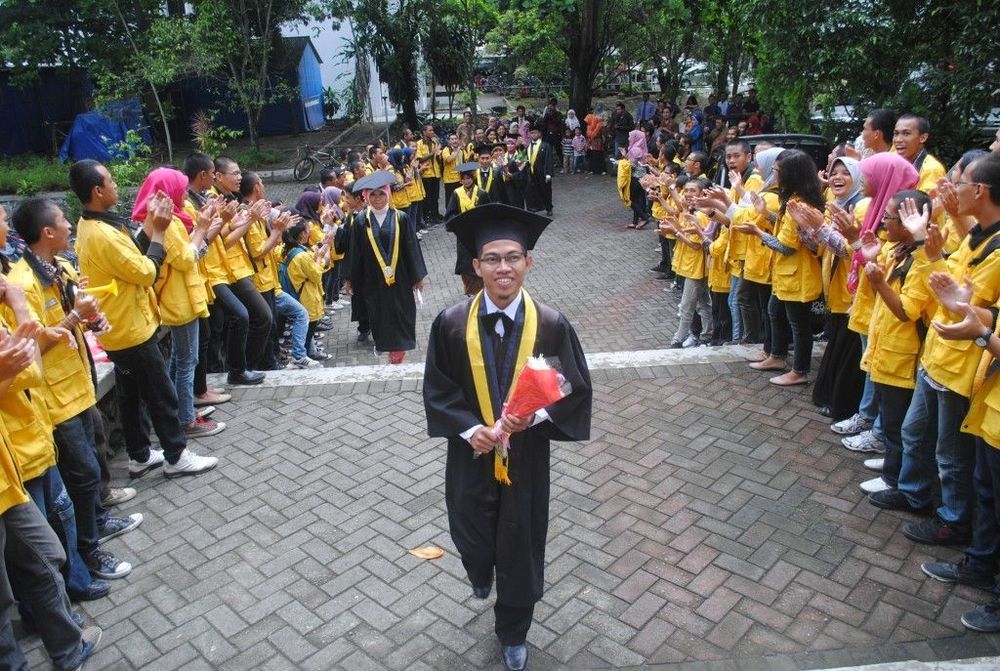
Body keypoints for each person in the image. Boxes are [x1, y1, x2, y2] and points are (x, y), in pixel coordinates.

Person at [425, 203, 591, 671]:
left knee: (520, 544)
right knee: (472, 531)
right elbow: (439, 388)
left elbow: (574, 387)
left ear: (528, 262)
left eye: (513, 257)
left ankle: (513, 630)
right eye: (493, 258)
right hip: (471, 453)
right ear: (476, 266)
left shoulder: (553, 324)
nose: (504, 268)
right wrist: (469, 428)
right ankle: (480, 570)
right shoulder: (451, 322)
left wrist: (531, 420)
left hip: (526, 457)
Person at [870, 152, 1000, 545]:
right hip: (937, 356)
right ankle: (913, 492)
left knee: (952, 455)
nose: (951, 190)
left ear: (979, 190)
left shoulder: (995, 252)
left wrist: (925, 247)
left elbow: (973, 307)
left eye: (959, 184)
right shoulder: (977, 238)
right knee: (915, 433)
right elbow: (948, 279)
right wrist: (926, 243)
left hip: (960, 367)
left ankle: (953, 520)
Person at [70, 159, 219, 479]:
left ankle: (139, 454)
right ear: (98, 190)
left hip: (120, 324)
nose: (115, 186)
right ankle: (176, 455)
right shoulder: (101, 234)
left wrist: (152, 224)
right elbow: (146, 271)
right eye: (110, 181)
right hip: (131, 326)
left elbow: (131, 254)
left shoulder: (95, 225)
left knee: (130, 392)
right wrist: (160, 233)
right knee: (161, 392)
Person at [918, 275, 1000, 632]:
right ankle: (980, 566)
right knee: (987, 496)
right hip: (992, 413)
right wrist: (966, 308)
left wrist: (981, 335)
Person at [348, 171, 428, 364]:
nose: (377, 199)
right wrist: (350, 278)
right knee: (379, 311)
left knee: (401, 310)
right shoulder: (360, 221)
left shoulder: (400, 218)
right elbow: (354, 252)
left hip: (399, 275)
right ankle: (384, 344)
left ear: (388, 194)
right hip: (372, 276)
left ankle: (399, 350)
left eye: (381, 194)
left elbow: (411, 247)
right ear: (366, 196)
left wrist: (417, 277)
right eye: (372, 194)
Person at [446, 162, 491, 296]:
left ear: (473, 178)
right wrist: (459, 221)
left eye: (468, 178)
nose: (466, 181)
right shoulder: (456, 193)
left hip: (478, 234)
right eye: (463, 178)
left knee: (480, 261)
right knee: (466, 265)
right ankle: (470, 291)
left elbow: (488, 212)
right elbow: (450, 213)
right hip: (463, 233)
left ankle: (483, 289)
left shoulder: (482, 193)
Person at [893, 114, 947, 193]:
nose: (898, 140)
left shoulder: (931, 169)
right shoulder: (891, 160)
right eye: (896, 134)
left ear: (923, 138)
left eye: (906, 133)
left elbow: (923, 203)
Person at [523, 124, 554, 216]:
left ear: (539, 133)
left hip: (542, 173)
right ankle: (533, 208)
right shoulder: (528, 146)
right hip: (531, 173)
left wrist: (548, 173)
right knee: (532, 191)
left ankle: (549, 208)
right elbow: (525, 159)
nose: (533, 135)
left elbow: (548, 160)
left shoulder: (545, 145)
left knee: (546, 191)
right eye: (531, 133)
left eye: (535, 133)